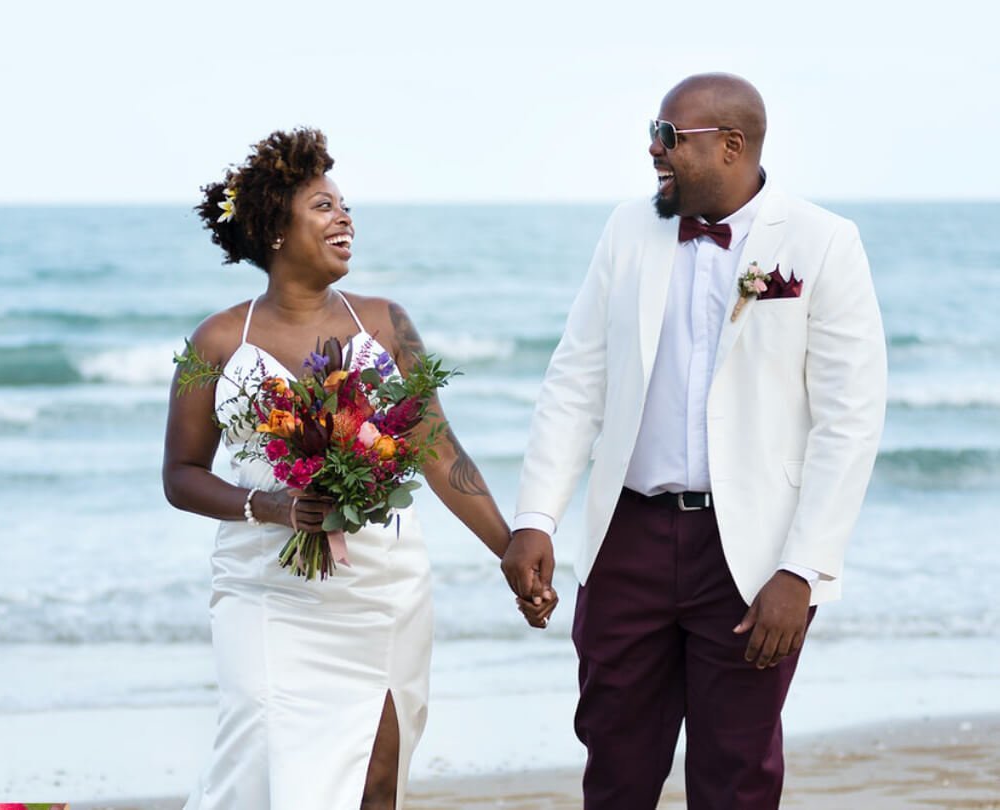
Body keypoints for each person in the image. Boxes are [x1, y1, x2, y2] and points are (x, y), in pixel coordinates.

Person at [501, 73, 887, 809]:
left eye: (671, 136)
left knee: (736, 774)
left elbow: (850, 421)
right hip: (628, 542)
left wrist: (802, 570)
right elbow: (575, 380)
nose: (656, 149)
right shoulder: (626, 229)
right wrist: (534, 517)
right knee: (613, 763)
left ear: (732, 146)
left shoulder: (824, 242)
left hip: (750, 557)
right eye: (656, 130)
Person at [162, 128, 545, 810]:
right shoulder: (215, 341)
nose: (345, 217)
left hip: (384, 586)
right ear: (276, 231)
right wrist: (272, 507)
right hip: (265, 592)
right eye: (322, 205)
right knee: (259, 760)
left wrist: (511, 548)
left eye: (344, 205)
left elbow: (438, 448)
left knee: (376, 777)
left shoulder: (387, 322)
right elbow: (181, 476)